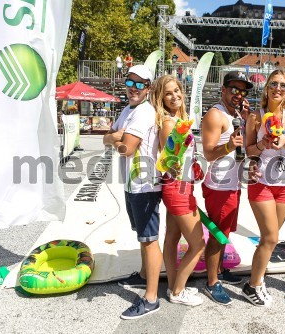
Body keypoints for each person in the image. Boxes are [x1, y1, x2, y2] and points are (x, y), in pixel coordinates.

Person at [103, 65, 162, 319]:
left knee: (149, 240)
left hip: (145, 184)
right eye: (130, 82)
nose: (134, 88)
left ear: (148, 89)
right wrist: (117, 137)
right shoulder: (129, 110)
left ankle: (151, 298)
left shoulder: (144, 112)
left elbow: (125, 148)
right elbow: (109, 137)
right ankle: (143, 275)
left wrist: (116, 138)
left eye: (140, 84)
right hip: (132, 183)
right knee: (142, 237)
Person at [242, 69, 285, 306]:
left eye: (283, 85)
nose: (278, 88)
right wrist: (261, 144)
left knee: (270, 239)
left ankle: (257, 275)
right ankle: (253, 285)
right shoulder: (255, 117)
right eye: (274, 84)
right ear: (267, 87)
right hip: (261, 183)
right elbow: (248, 151)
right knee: (270, 237)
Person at [150, 75, 205, 307]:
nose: (175, 96)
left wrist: (193, 167)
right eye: (168, 93)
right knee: (198, 243)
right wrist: (184, 162)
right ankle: (178, 291)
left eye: (177, 91)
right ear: (161, 98)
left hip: (180, 186)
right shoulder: (169, 123)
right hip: (178, 189)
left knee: (172, 239)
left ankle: (173, 285)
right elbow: (171, 160)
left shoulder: (176, 119)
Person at [201, 71, 253, 305]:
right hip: (219, 185)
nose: (238, 94)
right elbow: (208, 153)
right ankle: (212, 282)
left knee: (226, 233)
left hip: (232, 183)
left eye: (242, 91)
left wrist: (246, 116)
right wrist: (229, 147)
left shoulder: (236, 115)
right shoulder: (215, 115)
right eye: (234, 89)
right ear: (223, 90)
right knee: (217, 235)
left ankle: (220, 270)